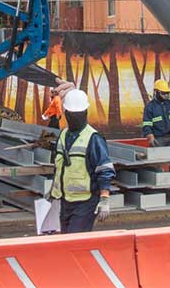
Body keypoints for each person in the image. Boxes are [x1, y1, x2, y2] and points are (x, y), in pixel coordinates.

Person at [48, 89, 115, 233]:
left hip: (86, 201)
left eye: (77, 114)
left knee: (74, 240)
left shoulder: (93, 138)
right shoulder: (63, 135)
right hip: (65, 201)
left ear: (85, 113)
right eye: (72, 114)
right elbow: (59, 167)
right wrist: (53, 192)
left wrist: (104, 199)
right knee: (65, 239)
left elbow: (105, 170)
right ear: (66, 113)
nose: (74, 117)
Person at [141, 79, 170, 161]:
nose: (166, 95)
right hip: (158, 138)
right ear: (156, 92)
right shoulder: (150, 107)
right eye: (163, 93)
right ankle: (159, 173)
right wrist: (151, 137)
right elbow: (147, 125)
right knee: (157, 161)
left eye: (167, 93)